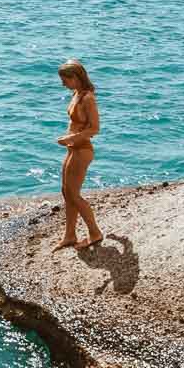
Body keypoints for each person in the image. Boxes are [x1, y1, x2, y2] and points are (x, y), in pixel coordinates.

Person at [54, 58, 104, 254]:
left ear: (75, 77)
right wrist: (69, 140)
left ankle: (95, 233)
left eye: (65, 79)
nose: (63, 83)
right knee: (66, 192)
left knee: (74, 194)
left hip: (82, 150)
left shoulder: (88, 98)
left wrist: (72, 137)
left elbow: (95, 128)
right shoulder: (77, 93)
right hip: (73, 148)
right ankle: (70, 235)